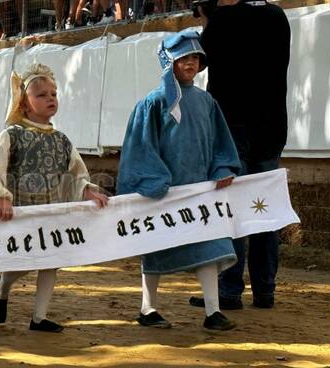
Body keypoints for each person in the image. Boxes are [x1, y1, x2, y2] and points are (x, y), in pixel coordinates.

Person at [117, 30, 241, 330]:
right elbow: (140, 146)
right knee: (156, 248)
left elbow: (221, 143)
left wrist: (223, 168)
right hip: (164, 193)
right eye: (184, 57)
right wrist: (154, 181)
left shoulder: (206, 101)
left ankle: (213, 312)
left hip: (199, 193)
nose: (190, 63)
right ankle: (148, 309)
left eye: (195, 57)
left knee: (210, 247)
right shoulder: (153, 102)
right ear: (169, 61)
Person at [0, 63, 109, 333]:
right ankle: (2, 286)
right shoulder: (11, 135)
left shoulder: (63, 140)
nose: (50, 98)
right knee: (21, 259)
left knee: (51, 260)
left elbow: (76, 172)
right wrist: (0, 196)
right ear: (24, 103)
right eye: (41, 94)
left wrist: (86, 189)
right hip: (19, 213)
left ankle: (39, 317)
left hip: (52, 213)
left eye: (53, 93)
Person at [189, 0, 291, 310]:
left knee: (231, 210)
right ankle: (265, 290)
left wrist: (208, 18)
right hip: (271, 127)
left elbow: (199, 59)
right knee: (265, 213)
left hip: (233, 128)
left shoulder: (221, 20)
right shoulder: (278, 17)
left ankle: (229, 289)